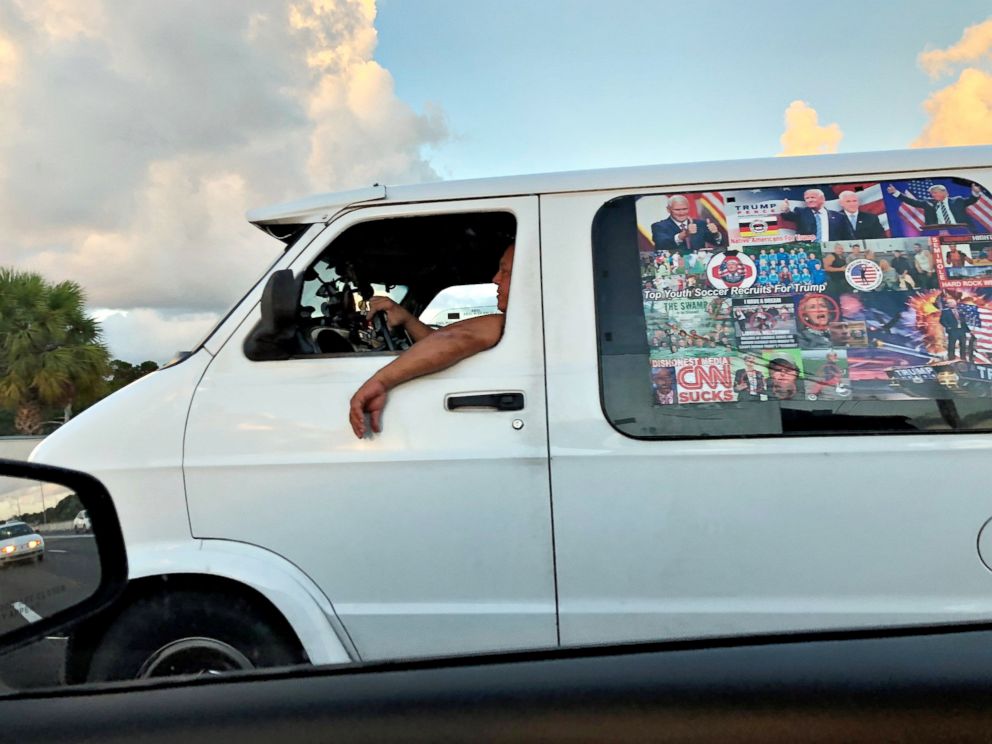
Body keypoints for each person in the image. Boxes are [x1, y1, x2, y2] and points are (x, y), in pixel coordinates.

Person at [349, 244, 514, 437]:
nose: (495, 279)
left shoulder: (519, 322)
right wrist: (406, 318)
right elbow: (440, 346)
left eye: (505, 271)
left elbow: (456, 338)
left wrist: (380, 382)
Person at [887, 182, 983, 229]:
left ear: (945, 192)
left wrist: (975, 192)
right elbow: (912, 202)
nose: (933, 195)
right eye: (932, 194)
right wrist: (896, 192)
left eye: (935, 193)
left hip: (961, 230)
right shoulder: (928, 203)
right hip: (938, 231)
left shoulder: (957, 200)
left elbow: (971, 200)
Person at [651, 195, 724, 252]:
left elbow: (719, 243)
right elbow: (661, 244)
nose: (681, 213)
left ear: (689, 208)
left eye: (684, 209)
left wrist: (716, 234)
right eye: (677, 210)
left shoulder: (701, 224)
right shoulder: (658, 226)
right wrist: (684, 234)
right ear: (668, 210)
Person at [779, 188, 846, 241]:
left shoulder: (838, 216)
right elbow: (790, 216)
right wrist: (786, 211)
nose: (809, 200)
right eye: (807, 198)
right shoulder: (801, 212)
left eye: (812, 197)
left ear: (822, 199)